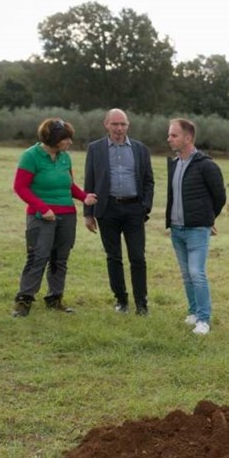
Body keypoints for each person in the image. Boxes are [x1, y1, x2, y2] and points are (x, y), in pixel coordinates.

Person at [11, 118, 97, 317]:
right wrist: (43, 208)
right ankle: (24, 300)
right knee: (37, 257)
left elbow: (69, 185)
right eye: (66, 139)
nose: (70, 143)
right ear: (54, 139)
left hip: (67, 214)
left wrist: (84, 196)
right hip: (41, 216)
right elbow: (20, 187)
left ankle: (54, 298)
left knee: (60, 258)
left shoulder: (65, 157)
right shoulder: (30, 156)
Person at [84, 109, 155, 315]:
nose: (119, 128)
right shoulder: (95, 149)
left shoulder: (141, 149)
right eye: (114, 124)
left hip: (134, 209)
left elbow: (149, 181)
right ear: (106, 124)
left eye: (122, 124)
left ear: (128, 125)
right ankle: (121, 300)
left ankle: (141, 303)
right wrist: (88, 213)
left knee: (138, 257)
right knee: (113, 257)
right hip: (107, 210)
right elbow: (90, 181)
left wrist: (145, 206)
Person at [165, 118, 226, 336]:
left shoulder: (206, 165)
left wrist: (208, 220)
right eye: (170, 135)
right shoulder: (174, 163)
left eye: (174, 135)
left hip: (197, 230)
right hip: (176, 229)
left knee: (196, 273)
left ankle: (203, 319)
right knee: (186, 274)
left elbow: (220, 196)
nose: (169, 138)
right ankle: (192, 312)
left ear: (188, 138)